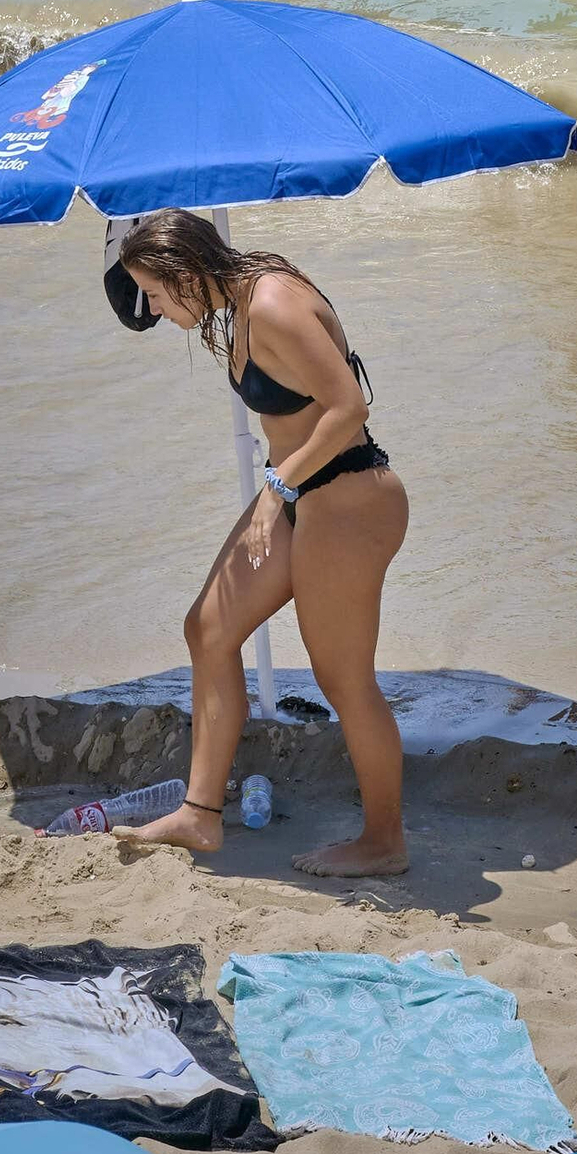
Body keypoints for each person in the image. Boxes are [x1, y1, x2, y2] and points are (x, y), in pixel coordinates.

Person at [115, 210, 410, 879]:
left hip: (350, 502)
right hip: (304, 497)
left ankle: (385, 840)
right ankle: (199, 813)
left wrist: (276, 485)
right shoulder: (242, 298)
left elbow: (348, 408)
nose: (154, 311)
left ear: (185, 273)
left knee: (345, 680)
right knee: (208, 629)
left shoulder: (272, 302)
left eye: (156, 295)